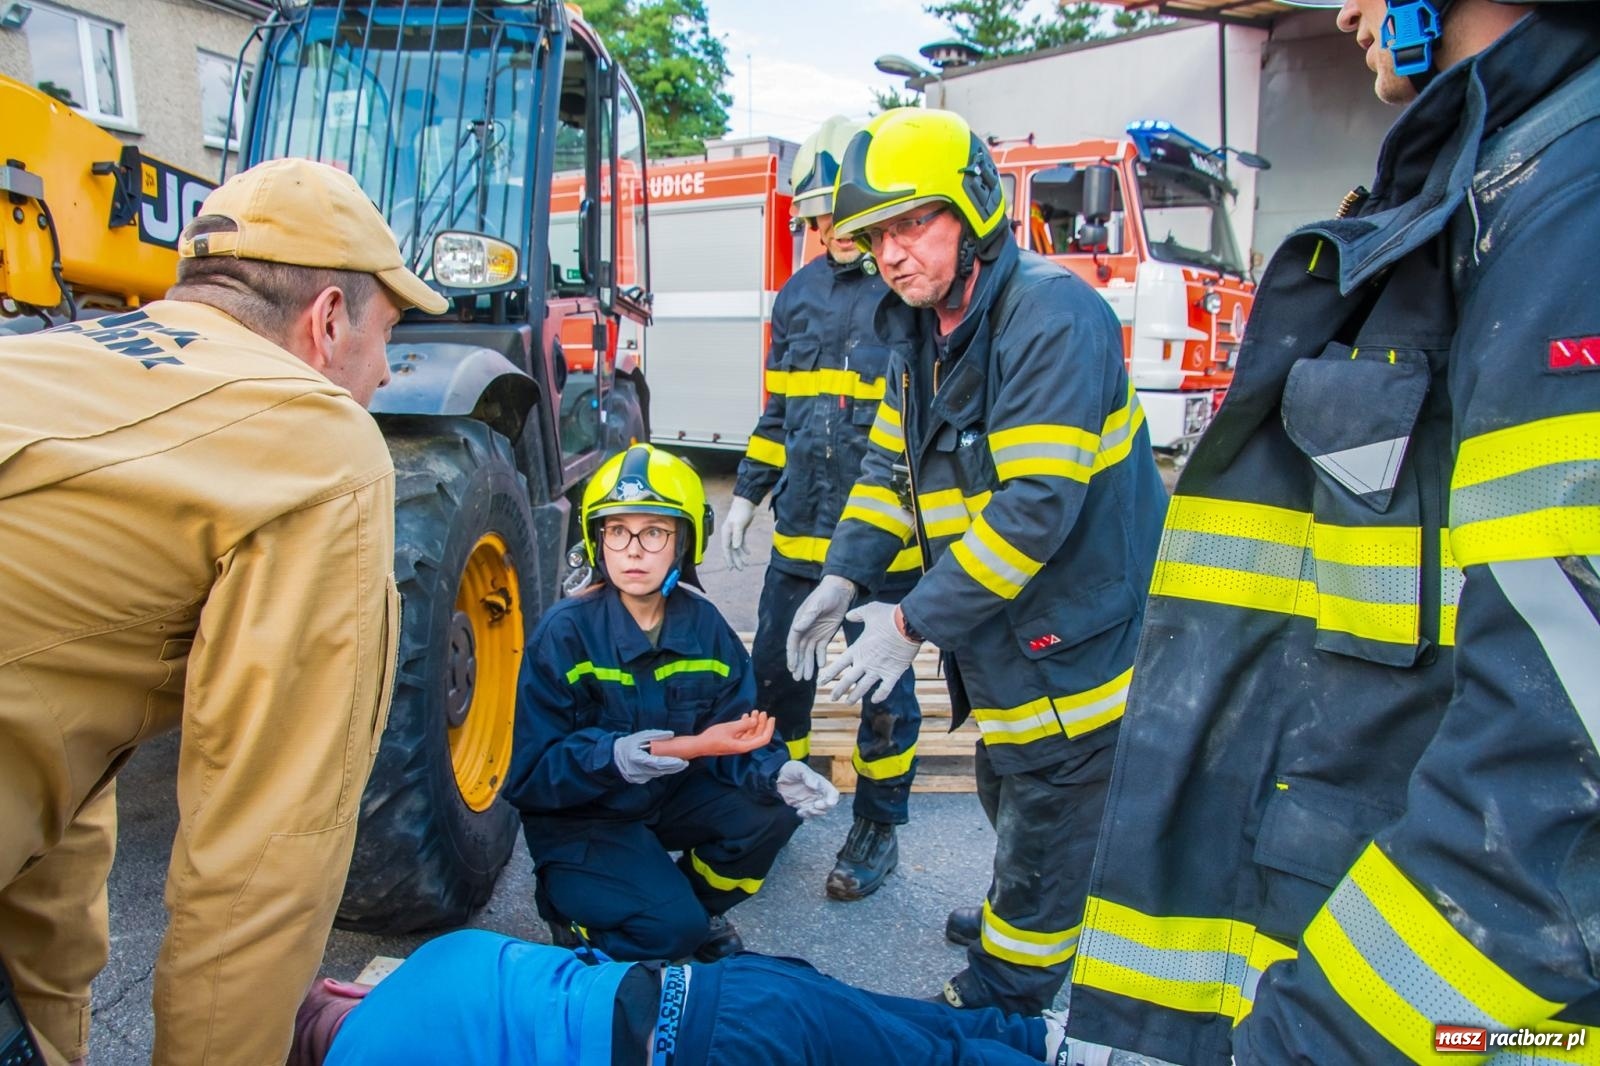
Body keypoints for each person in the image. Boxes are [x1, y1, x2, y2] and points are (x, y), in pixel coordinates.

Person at [1062, 4, 1600, 1064]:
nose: (1344, 8)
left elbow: (1559, 781)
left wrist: (1306, 1045)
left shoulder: (1567, 208)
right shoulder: (1492, 192)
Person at [0, 157, 448, 1066]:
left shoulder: (38, 358)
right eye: (387, 334)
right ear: (329, 319)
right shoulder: (317, 443)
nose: (384, 370)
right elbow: (263, 861)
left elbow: (59, 769)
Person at [787, 109, 1169, 1015]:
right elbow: (892, 468)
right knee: (1008, 783)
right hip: (1007, 629)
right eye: (875, 234)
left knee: (1049, 805)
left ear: (975, 210)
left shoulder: (1052, 316)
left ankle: (1007, 992)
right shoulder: (921, 329)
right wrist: (844, 573)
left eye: (913, 222)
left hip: (1077, 637)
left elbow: (1035, 508)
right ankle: (1021, 916)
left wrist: (911, 621)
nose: (891, 253)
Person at [504, 444, 840, 965]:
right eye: (617, 531)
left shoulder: (705, 628)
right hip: (582, 817)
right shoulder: (564, 634)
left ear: (685, 540)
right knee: (666, 935)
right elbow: (531, 777)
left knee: (769, 813)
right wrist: (615, 756)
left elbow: (736, 730)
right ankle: (572, 912)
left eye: (654, 532)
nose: (633, 551)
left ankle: (694, 908)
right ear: (596, 541)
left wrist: (775, 772)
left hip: (662, 799)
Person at [722, 114, 925, 902]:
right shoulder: (796, 297)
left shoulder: (906, 296)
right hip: (801, 540)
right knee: (776, 681)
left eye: (841, 215)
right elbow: (780, 413)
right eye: (816, 218)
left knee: (883, 696)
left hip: (879, 549)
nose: (830, 231)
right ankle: (784, 798)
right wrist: (746, 495)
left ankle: (877, 826)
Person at [289, 928, 1069, 1066]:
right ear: (340, 986)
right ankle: (1051, 1040)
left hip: (702, 1053)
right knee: (907, 1032)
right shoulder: (442, 955)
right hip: (730, 988)